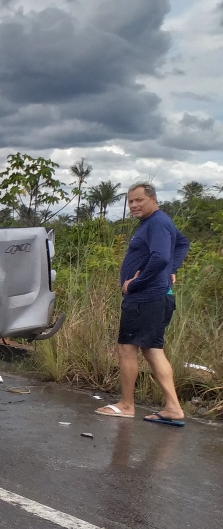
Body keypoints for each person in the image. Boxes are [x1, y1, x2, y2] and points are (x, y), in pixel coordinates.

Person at [96, 182, 189, 426]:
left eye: (139, 200)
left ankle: (126, 405)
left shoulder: (157, 222)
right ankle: (173, 408)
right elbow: (182, 243)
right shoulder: (156, 222)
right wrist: (173, 268)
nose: (134, 205)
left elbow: (160, 257)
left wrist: (135, 283)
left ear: (153, 199)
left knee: (126, 348)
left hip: (145, 298)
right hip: (157, 296)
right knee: (153, 350)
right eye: (130, 201)